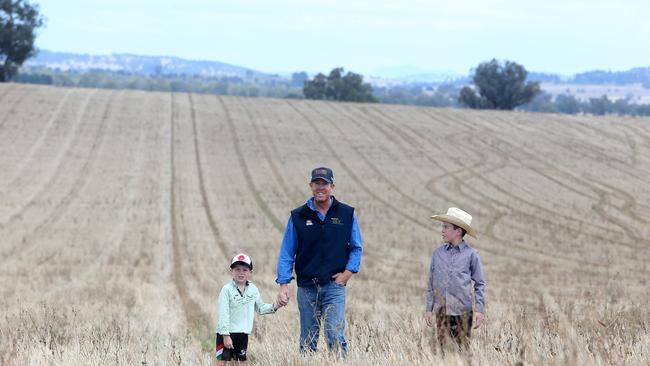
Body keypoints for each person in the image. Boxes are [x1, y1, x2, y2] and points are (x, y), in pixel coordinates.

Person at [275, 166, 363, 355]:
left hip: (334, 286)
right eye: (317, 183)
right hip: (307, 287)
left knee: (334, 334)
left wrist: (347, 274)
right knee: (308, 339)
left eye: (325, 183)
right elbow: (287, 252)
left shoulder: (346, 214)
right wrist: (284, 285)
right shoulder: (298, 216)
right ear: (311, 185)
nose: (320, 187)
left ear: (332, 186)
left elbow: (356, 247)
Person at [425, 207, 486, 352]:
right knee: (443, 353)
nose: (442, 230)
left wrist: (479, 310)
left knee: (462, 352)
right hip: (441, 312)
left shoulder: (472, 255)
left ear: (458, 231)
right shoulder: (437, 254)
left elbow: (480, 284)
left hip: (463, 313)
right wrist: (429, 308)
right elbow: (431, 283)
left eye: (446, 227)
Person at [215, 253, 283, 364]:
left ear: (250, 272)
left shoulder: (253, 289)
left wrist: (275, 306)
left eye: (245, 270)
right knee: (222, 361)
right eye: (237, 269)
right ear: (231, 271)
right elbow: (223, 313)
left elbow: (260, 308)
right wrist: (226, 335)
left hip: (242, 333)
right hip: (226, 332)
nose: (241, 273)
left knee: (241, 361)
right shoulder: (226, 290)